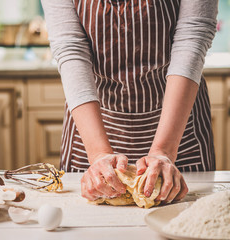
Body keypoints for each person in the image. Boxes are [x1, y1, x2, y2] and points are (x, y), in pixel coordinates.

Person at [41, 0, 218, 204]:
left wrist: (164, 151)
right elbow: (70, 46)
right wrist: (99, 154)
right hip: (94, 125)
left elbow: (192, 36)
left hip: (179, 130)